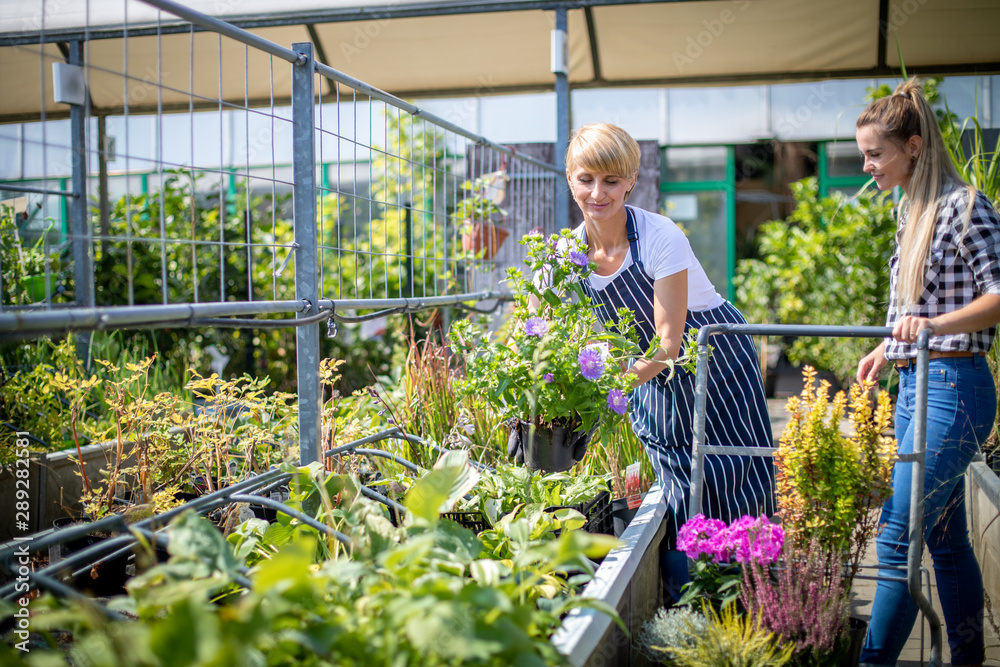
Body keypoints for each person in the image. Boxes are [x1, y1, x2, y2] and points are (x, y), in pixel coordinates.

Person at [563, 122, 775, 599]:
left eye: (611, 181)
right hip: (654, 378)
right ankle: (694, 607)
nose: (598, 193)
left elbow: (667, 345)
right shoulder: (569, 255)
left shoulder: (660, 237)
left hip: (714, 360)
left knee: (737, 475)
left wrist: (607, 390)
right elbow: (566, 337)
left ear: (631, 181)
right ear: (570, 178)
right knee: (678, 486)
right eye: (586, 179)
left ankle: (756, 599)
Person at [855, 78, 1000, 667]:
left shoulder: (965, 207)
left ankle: (871, 662)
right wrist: (887, 347)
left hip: (954, 388)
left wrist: (933, 330)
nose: (866, 166)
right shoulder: (911, 212)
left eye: (875, 153)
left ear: (913, 146)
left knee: (898, 533)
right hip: (917, 384)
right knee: (942, 536)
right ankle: (969, 656)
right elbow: (918, 311)